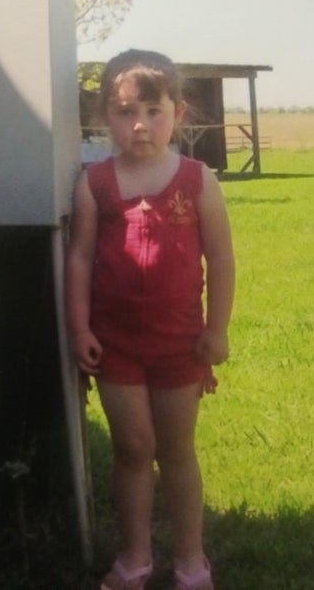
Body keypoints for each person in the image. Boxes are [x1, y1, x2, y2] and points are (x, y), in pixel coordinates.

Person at [66, 50, 235, 590]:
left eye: (153, 111)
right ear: (102, 118)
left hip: (181, 346)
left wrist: (217, 330)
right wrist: (80, 328)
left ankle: (190, 561)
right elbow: (79, 258)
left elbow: (222, 259)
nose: (139, 125)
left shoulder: (197, 179)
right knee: (133, 448)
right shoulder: (95, 183)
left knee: (177, 452)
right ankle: (135, 558)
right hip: (114, 346)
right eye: (123, 112)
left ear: (178, 113)